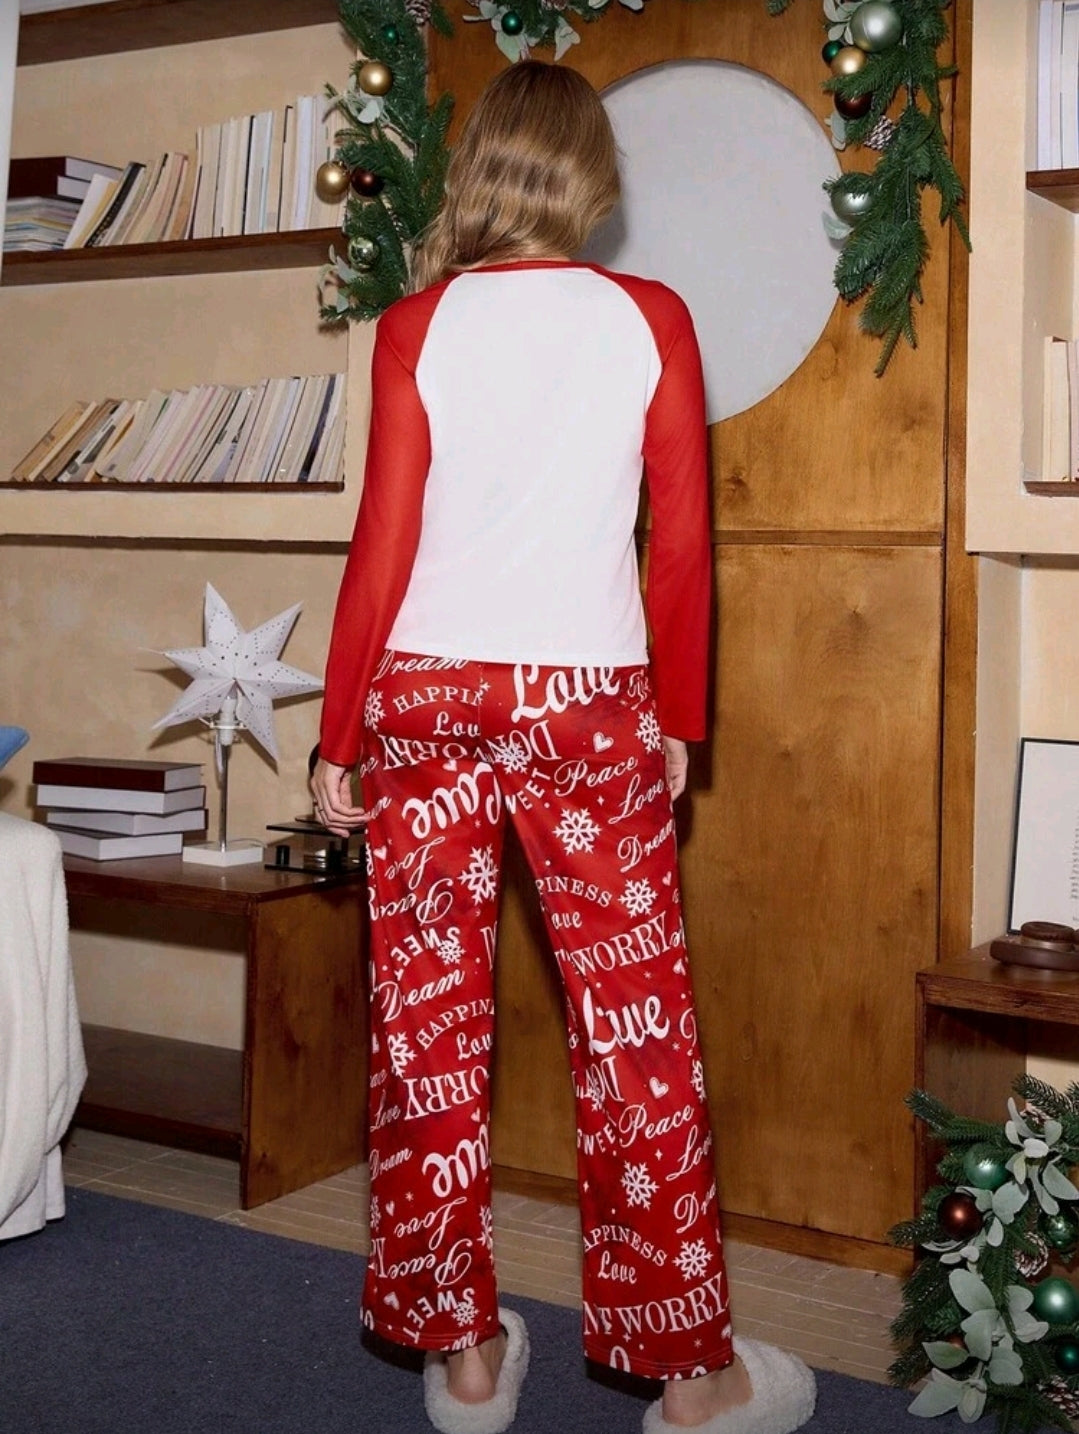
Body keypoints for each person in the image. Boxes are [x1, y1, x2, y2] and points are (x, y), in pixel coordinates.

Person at [311, 59, 816, 1434]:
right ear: (592, 177)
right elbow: (685, 542)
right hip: (587, 701)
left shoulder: (416, 325)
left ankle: (466, 1355)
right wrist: (682, 723)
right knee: (634, 1034)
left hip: (423, 695)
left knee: (426, 1033)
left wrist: (337, 729)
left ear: (481, 167)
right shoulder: (650, 317)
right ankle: (690, 1375)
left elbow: (384, 545)